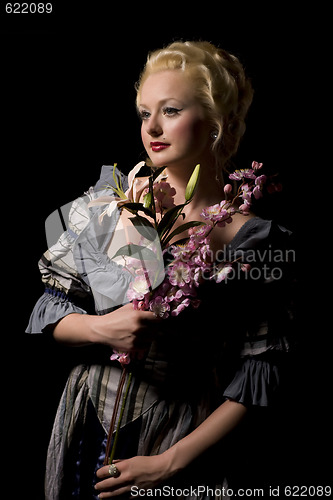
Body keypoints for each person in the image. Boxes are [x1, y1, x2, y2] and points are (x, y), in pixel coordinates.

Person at [27, 41, 294, 499]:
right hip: (87, 417)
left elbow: (262, 369)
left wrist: (167, 465)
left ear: (215, 122)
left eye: (170, 110)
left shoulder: (251, 239)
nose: (151, 127)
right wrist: (101, 328)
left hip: (177, 435)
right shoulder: (105, 208)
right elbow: (48, 314)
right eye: (143, 112)